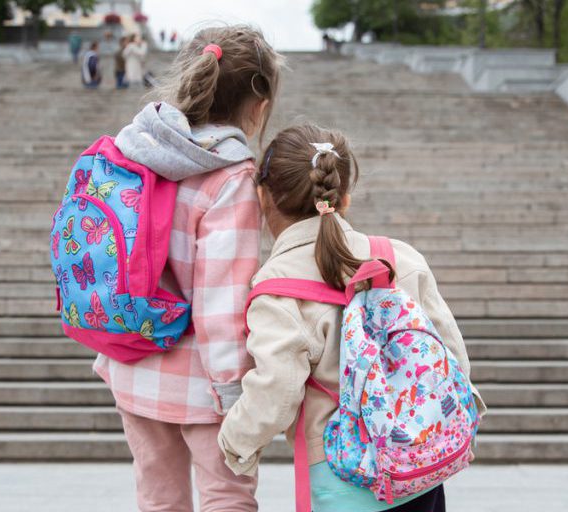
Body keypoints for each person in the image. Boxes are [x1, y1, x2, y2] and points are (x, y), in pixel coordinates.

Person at [217, 123, 486, 512]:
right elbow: (451, 356)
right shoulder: (400, 259)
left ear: (263, 197)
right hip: (418, 467)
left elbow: (276, 388)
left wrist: (235, 442)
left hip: (343, 475)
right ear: (344, 197)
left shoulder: (277, 286)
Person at [93, 25, 284, 512]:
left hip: (132, 362)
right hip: (202, 384)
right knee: (226, 497)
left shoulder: (135, 147)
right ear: (258, 104)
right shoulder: (231, 176)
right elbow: (220, 303)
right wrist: (235, 392)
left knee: (157, 497)